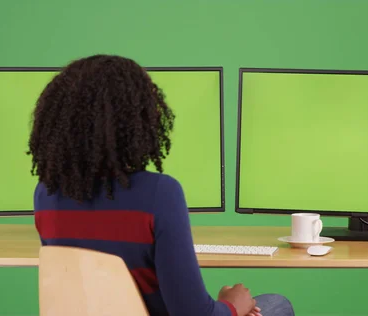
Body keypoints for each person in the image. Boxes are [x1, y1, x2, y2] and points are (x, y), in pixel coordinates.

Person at [27, 54, 295, 316]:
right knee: (276, 304)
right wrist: (232, 305)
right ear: (138, 121)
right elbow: (192, 313)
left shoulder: (45, 194)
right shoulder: (159, 194)